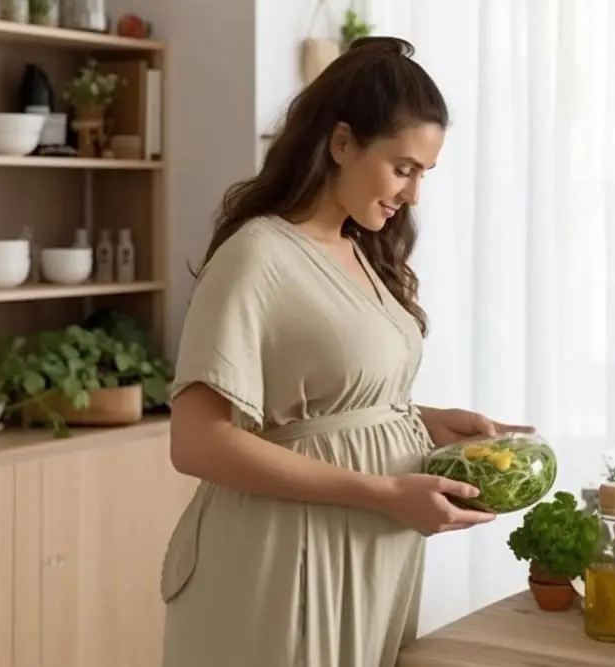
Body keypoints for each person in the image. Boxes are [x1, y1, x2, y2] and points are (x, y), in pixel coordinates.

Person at [160, 36, 533, 667]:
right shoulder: (259, 254)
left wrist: (422, 422)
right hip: (282, 557)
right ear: (341, 144)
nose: (413, 194)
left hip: (366, 552)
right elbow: (196, 441)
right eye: (403, 167)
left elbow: (328, 403)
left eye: (424, 175)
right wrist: (381, 492)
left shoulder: (363, 251)